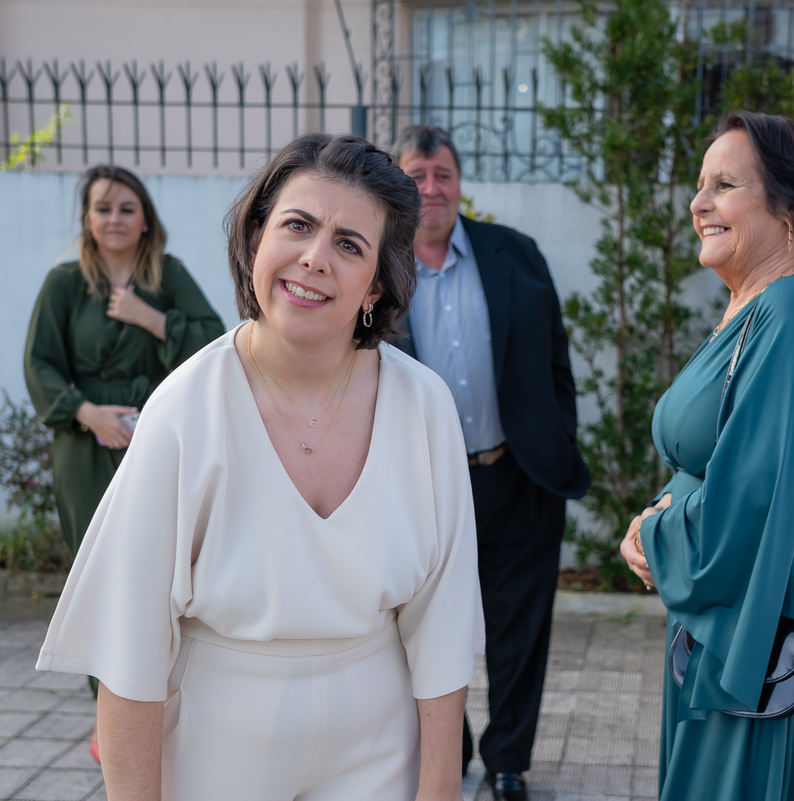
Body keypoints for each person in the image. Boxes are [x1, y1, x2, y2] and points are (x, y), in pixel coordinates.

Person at [36, 134, 484, 801]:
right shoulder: (185, 409)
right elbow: (129, 653)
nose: (314, 258)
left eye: (349, 243)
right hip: (215, 753)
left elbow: (443, 627)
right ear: (254, 244)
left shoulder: (424, 407)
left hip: (381, 748)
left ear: (378, 285)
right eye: (297, 226)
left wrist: (439, 789)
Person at [622, 111, 794, 800]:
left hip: (762, 615)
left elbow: (757, 491)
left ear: (788, 205)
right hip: (731, 607)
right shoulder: (753, 308)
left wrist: (656, 531)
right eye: (700, 185)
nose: (698, 204)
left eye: (724, 184)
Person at [392, 124, 589, 801]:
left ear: (460, 183)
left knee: (520, 624)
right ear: (396, 185)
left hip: (519, 473)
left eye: (442, 174)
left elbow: (557, 359)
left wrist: (558, 436)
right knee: (424, 625)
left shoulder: (516, 254)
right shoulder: (377, 270)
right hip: (421, 488)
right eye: (416, 175)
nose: (431, 188)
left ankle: (508, 760)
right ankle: (451, 742)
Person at [24, 165, 224, 557]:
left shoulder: (170, 275)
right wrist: (86, 413)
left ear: (145, 221)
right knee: (92, 558)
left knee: (155, 555)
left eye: (127, 209)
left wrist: (151, 318)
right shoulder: (63, 283)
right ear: (88, 219)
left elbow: (214, 344)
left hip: (157, 431)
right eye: (103, 209)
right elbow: (39, 362)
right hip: (83, 441)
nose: (114, 218)